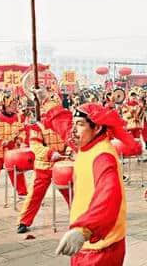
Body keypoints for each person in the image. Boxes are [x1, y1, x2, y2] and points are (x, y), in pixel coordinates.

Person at [54, 102, 135, 265]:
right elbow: (63, 128)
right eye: (73, 124)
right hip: (87, 242)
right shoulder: (87, 146)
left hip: (100, 248)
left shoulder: (103, 156)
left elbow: (108, 198)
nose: (73, 130)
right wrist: (47, 102)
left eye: (80, 124)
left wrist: (84, 230)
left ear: (97, 128)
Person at [17, 90, 73, 234]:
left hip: (62, 165)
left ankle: (78, 218)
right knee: (36, 194)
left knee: (71, 193)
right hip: (44, 164)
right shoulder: (38, 126)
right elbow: (35, 146)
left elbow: (70, 141)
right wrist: (50, 153)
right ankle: (24, 221)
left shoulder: (66, 124)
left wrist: (67, 152)